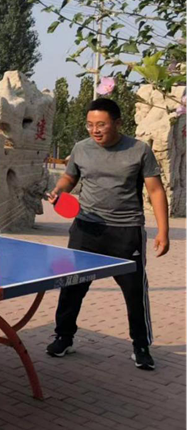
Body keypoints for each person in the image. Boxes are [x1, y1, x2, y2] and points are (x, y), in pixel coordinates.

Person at [46, 98, 170, 371]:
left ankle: (141, 346)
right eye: (90, 125)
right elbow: (69, 177)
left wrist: (163, 231)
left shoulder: (139, 150)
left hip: (125, 231)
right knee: (72, 287)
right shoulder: (81, 148)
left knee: (135, 292)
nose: (95, 130)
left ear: (117, 123)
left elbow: (155, 190)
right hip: (85, 229)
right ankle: (63, 337)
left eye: (101, 124)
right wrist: (59, 190)